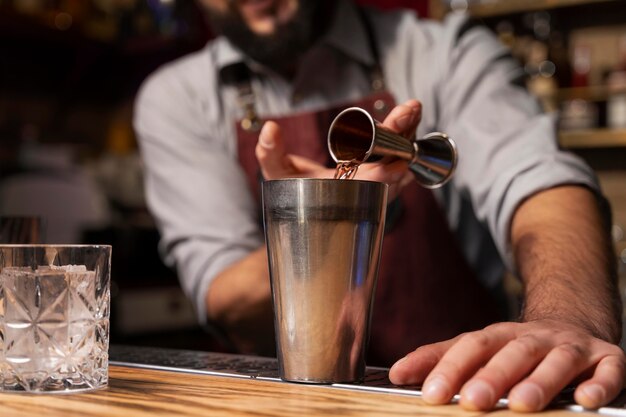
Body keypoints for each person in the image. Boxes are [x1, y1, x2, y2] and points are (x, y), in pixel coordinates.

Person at [133, 0, 625, 412]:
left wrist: (569, 318)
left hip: (454, 397)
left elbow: (543, 185)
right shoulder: (175, 98)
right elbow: (225, 296)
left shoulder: (444, 51)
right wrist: (327, 217)